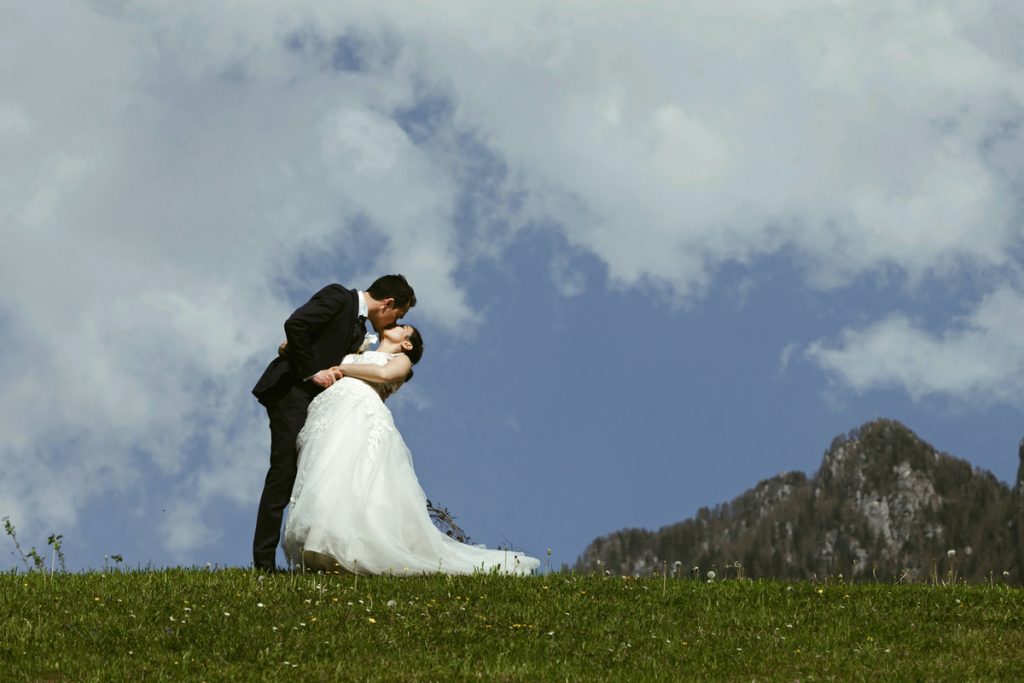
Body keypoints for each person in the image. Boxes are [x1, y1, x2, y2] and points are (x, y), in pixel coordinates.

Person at [283, 324, 539, 575]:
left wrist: (343, 368)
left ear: (407, 343)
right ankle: (322, 543)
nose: (395, 325)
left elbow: (383, 376)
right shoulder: (357, 351)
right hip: (329, 412)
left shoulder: (401, 360)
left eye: (402, 326)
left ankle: (346, 546)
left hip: (358, 412)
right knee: (326, 473)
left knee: (351, 474)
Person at [251, 275, 416, 572]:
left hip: (320, 405)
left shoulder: (360, 334)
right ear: (389, 304)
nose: (395, 321)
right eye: (399, 315)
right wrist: (311, 371)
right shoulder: (339, 297)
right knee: (284, 472)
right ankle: (263, 565)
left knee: (315, 474)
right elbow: (296, 324)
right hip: (293, 392)